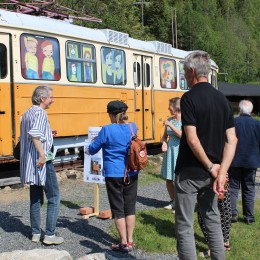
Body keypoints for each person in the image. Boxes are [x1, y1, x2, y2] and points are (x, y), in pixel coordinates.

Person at [174, 51, 237, 260]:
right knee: (213, 220)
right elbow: (232, 140)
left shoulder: (189, 98)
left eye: (184, 72)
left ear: (192, 71)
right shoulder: (223, 100)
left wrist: (212, 167)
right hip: (212, 175)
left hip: (190, 173)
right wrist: (221, 172)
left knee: (184, 225)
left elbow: (191, 139)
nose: (184, 76)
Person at [88, 100, 138, 252]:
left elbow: (92, 149)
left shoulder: (106, 130)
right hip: (131, 172)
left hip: (113, 174)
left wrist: (92, 143)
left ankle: (123, 242)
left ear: (111, 115)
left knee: (118, 209)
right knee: (130, 207)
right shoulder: (132, 126)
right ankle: (131, 240)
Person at [20, 86, 64, 245]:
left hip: (31, 164)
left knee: (36, 199)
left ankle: (35, 233)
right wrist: (42, 154)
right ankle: (50, 235)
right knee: (54, 197)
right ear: (42, 99)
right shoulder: (40, 112)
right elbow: (34, 134)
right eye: (50, 97)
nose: (52, 100)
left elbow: (33, 132)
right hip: (42, 162)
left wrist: (48, 133)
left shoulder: (27, 113)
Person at [229, 100, 260, 225]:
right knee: (249, 188)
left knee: (232, 188)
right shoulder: (257, 124)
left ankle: (232, 213)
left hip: (234, 160)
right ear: (251, 111)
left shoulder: (233, 122)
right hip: (251, 161)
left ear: (239, 110)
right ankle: (249, 216)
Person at [197, 182, 232, 258]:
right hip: (221, 176)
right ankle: (225, 242)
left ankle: (212, 249)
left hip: (209, 177)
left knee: (206, 214)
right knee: (223, 208)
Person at [160, 97, 182, 210]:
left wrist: (170, 125)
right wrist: (164, 143)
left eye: (170, 106)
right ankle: (173, 201)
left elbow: (182, 135)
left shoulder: (184, 120)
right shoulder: (170, 119)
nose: (168, 108)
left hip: (180, 150)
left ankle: (181, 204)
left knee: (179, 179)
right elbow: (164, 136)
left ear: (175, 106)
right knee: (169, 178)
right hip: (170, 151)